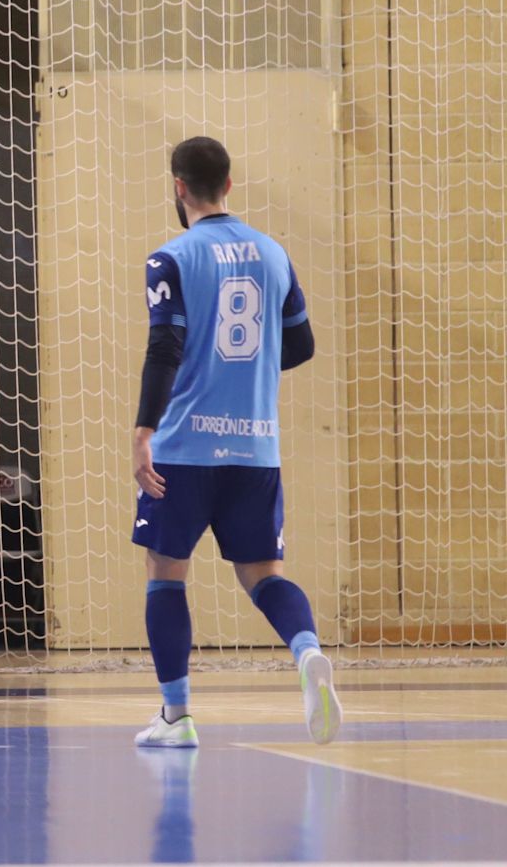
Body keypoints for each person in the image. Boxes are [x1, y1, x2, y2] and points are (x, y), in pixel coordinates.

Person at [130, 135, 340, 748]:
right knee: (264, 574)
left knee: (166, 573)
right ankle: (306, 655)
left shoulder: (169, 259)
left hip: (182, 452)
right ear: (229, 184)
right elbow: (299, 346)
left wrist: (144, 431)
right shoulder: (274, 255)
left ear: (177, 187)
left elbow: (164, 348)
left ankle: (177, 716)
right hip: (255, 450)